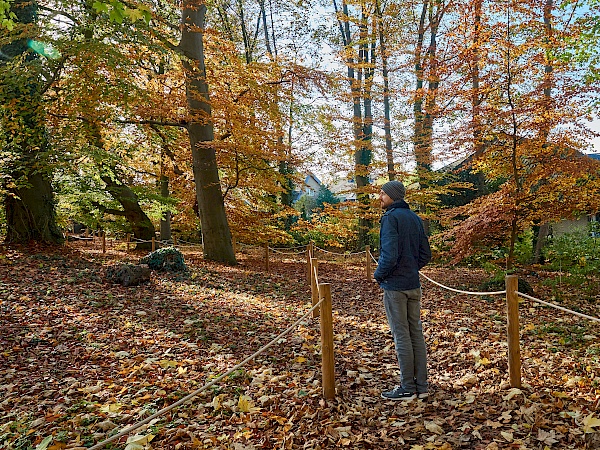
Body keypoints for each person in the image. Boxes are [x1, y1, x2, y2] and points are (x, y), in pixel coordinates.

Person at [374, 180, 431, 401]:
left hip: (395, 287)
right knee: (415, 333)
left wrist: (379, 275)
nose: (380, 197)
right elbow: (425, 254)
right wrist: (410, 268)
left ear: (392, 196)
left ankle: (408, 387)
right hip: (413, 284)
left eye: (382, 194)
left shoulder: (390, 218)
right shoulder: (415, 219)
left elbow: (389, 255)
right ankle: (422, 386)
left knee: (401, 336)